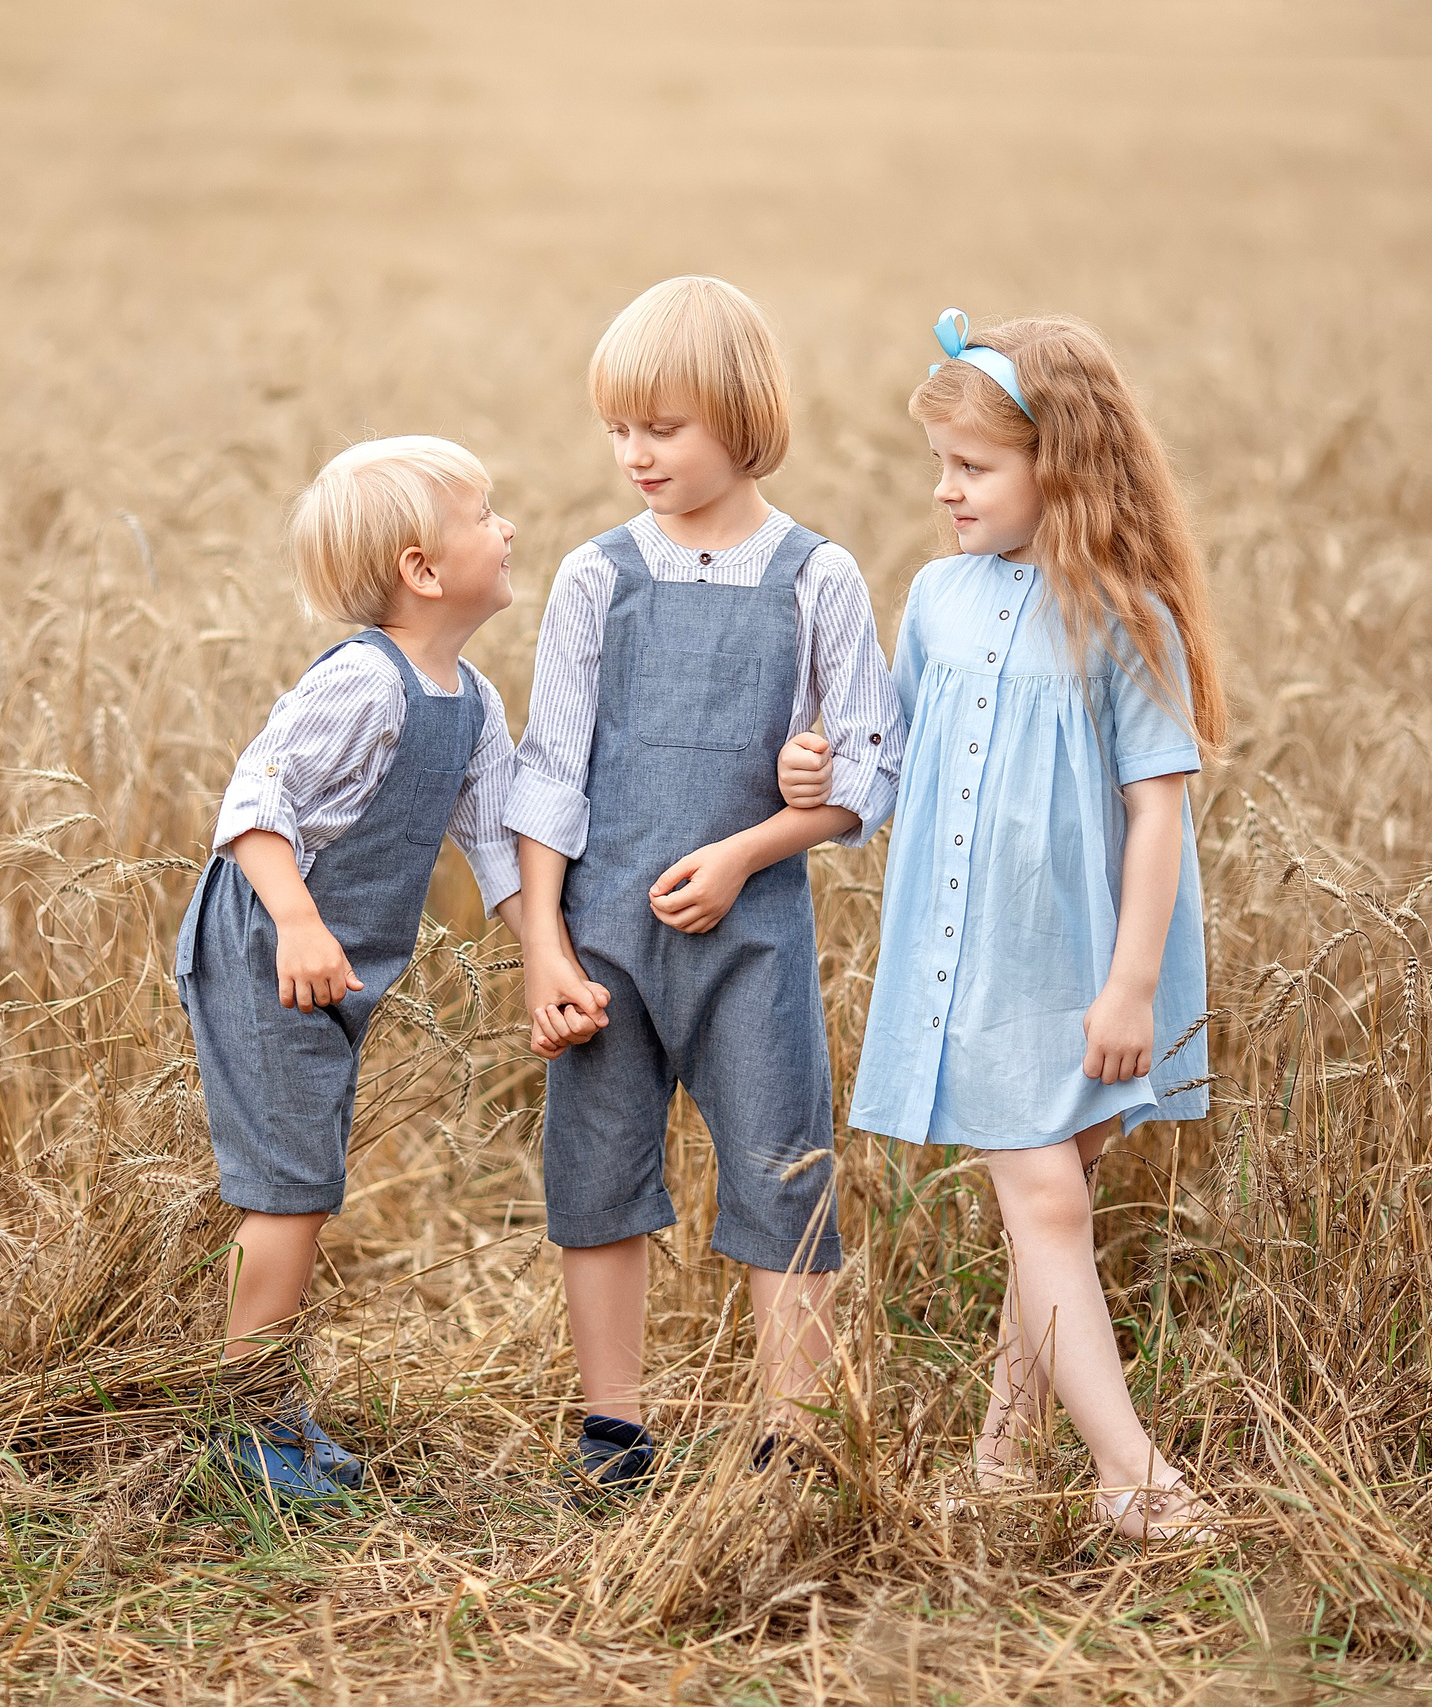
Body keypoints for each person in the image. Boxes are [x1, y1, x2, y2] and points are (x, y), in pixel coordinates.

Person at [781, 310, 1225, 1541]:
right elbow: (892, 757)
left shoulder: (1128, 616)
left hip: (1087, 961)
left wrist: (1130, 987)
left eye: (972, 467)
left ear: (1060, 466)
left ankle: (1000, 1464)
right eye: (940, 464)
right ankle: (1132, 1477)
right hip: (967, 960)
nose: (944, 490)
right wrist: (820, 772)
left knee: (1049, 1211)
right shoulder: (936, 596)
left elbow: (1157, 814)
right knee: (1047, 1208)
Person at [508, 277, 905, 1501]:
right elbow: (548, 776)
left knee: (783, 1167)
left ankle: (793, 1441)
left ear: (741, 420)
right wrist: (544, 948)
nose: (635, 454)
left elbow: (869, 776)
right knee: (596, 1173)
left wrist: (750, 848)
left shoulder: (816, 577)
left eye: (663, 428)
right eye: (618, 429)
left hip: (754, 942)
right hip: (603, 942)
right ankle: (612, 1430)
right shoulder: (595, 578)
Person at [178, 435, 528, 1503]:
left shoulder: (470, 700)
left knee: (305, 1187)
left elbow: (500, 845)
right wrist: (296, 923)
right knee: (289, 1194)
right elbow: (255, 802)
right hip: (268, 948)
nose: (508, 528)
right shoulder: (365, 685)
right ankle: (246, 1430)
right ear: (423, 568)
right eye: (485, 514)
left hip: (330, 968)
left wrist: (548, 960)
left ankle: (269, 1413)